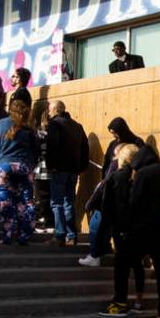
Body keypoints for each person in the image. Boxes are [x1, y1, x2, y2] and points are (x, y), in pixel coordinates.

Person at [106, 142, 160, 318]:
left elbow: (134, 202)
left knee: (122, 262)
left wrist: (126, 227)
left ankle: (120, 302)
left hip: (142, 231)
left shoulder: (143, 174)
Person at [0, 100, 39, 244]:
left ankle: (7, 235)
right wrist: (32, 163)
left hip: (4, 167)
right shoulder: (29, 128)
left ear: (10, 110)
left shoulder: (1, 124)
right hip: (24, 166)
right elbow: (36, 150)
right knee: (26, 201)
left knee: (6, 202)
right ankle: (24, 235)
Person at [81, 140, 138, 265]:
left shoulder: (116, 169)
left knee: (96, 227)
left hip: (108, 206)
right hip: (126, 216)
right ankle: (105, 250)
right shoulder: (138, 174)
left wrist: (91, 203)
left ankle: (95, 254)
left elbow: (105, 186)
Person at [44, 100, 90, 247]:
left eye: (50, 110)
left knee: (57, 203)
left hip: (59, 170)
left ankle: (59, 234)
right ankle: (71, 236)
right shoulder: (77, 126)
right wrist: (80, 167)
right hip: (73, 170)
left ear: (56, 110)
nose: (48, 113)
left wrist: (51, 166)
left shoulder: (55, 125)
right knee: (68, 202)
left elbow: (52, 147)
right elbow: (85, 149)